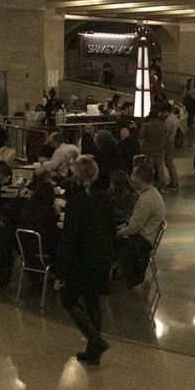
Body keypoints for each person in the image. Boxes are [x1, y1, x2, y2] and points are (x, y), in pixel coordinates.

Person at [55, 155, 118, 366]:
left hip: (81, 258)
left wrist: (61, 272)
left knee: (69, 300)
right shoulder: (106, 198)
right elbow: (112, 230)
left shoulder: (75, 202)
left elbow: (69, 239)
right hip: (102, 257)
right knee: (93, 303)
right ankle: (94, 352)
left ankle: (94, 338)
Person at [117, 163, 166, 287]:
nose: (130, 178)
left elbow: (134, 228)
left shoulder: (146, 200)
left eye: (133, 175)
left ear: (139, 179)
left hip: (142, 241)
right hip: (146, 236)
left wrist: (116, 232)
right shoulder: (151, 194)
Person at [138, 108, 168, 190]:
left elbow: (141, 136)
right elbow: (166, 134)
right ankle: (163, 185)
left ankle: (150, 185)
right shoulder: (163, 124)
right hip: (160, 148)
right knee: (160, 168)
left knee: (150, 168)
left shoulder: (146, 125)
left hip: (149, 149)